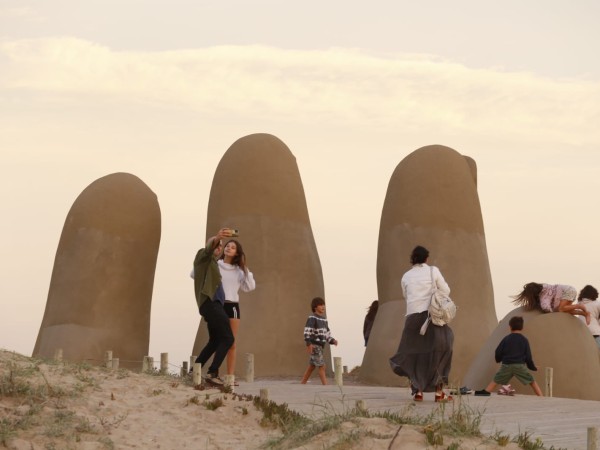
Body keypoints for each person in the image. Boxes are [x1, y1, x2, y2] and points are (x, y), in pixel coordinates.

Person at [389, 245, 454, 402]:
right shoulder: (433, 270)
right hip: (431, 317)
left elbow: (406, 295)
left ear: (413, 259)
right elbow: (446, 291)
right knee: (443, 349)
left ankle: (418, 391)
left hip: (412, 318)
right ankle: (439, 393)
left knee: (414, 354)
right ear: (426, 258)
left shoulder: (406, 276)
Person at [191, 228, 235, 386]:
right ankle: (213, 372)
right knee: (228, 338)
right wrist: (217, 238)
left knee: (215, 341)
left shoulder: (213, 264)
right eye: (217, 245)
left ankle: (193, 371)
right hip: (209, 304)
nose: (219, 247)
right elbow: (209, 249)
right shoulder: (202, 257)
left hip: (214, 306)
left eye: (221, 246)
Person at [474, 316, 543, 396]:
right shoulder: (524, 340)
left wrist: (498, 359)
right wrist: (533, 367)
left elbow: (498, 352)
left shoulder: (506, 339)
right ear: (522, 327)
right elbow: (528, 357)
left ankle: (486, 391)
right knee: (532, 381)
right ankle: (541, 397)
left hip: (506, 365)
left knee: (496, 380)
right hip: (519, 366)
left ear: (510, 327)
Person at [218, 238, 256, 379]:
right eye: (227, 246)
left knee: (231, 343)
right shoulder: (216, 265)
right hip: (218, 305)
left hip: (232, 305)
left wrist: (245, 268)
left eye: (233, 247)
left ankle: (230, 376)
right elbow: (194, 274)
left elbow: (250, 287)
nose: (229, 248)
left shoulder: (240, 270)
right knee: (218, 340)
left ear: (237, 252)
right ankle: (214, 373)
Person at [512, 282, 591, 324]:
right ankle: (585, 314)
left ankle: (579, 306)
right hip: (568, 291)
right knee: (566, 311)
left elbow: (546, 307)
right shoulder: (543, 286)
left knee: (561, 309)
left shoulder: (543, 297)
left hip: (567, 291)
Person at [301, 297, 338, 385]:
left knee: (312, 366)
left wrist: (332, 341)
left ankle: (303, 383)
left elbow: (327, 334)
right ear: (315, 307)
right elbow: (307, 331)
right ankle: (325, 385)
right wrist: (308, 343)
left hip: (321, 346)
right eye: (321, 305)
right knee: (322, 366)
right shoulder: (312, 318)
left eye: (324, 305)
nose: (323, 307)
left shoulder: (324, 320)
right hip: (314, 345)